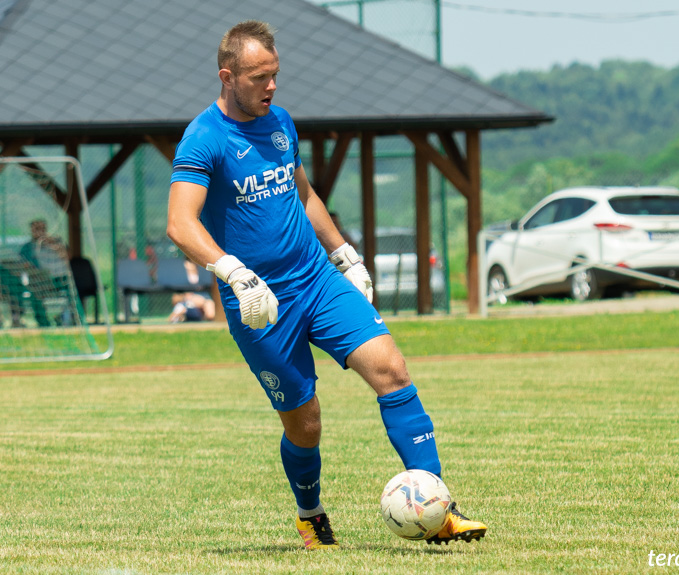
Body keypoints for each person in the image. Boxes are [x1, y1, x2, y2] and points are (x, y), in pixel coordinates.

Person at [166, 20, 486, 550]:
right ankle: (309, 513)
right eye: (257, 78)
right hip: (261, 303)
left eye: (275, 75)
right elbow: (181, 223)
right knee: (305, 423)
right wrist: (234, 274)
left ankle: (440, 509)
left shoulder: (280, 123)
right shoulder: (204, 138)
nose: (271, 87)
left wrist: (344, 255)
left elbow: (304, 194)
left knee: (392, 370)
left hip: (316, 279)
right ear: (226, 77)